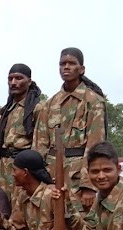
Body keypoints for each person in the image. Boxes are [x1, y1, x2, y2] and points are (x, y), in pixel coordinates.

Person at [34, 47, 107, 206]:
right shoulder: (49, 104)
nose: (66, 67)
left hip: (77, 176)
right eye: (62, 64)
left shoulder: (93, 102)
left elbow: (96, 145)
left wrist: (88, 185)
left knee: (78, 222)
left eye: (71, 63)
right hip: (51, 176)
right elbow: (39, 145)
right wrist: (40, 178)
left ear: (81, 69)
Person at [0, 64, 43, 200]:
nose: (13, 83)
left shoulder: (37, 108)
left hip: (24, 168)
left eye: (19, 78)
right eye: (10, 79)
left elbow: (41, 143)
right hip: (3, 168)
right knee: (1, 207)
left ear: (29, 81)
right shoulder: (5, 111)